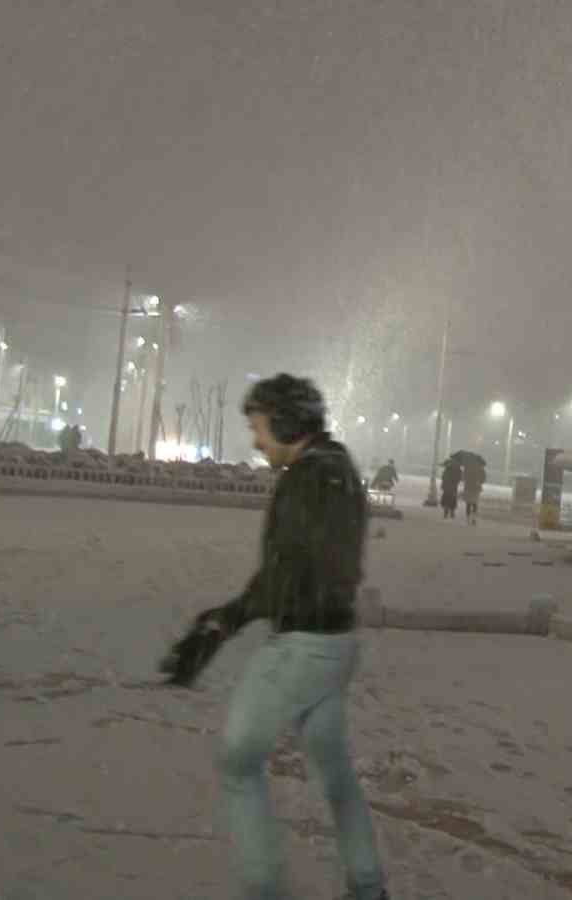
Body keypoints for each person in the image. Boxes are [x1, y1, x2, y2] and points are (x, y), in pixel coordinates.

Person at [159, 374, 387, 900]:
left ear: (286, 423)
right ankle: (369, 885)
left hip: (303, 646)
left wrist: (224, 623)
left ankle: (265, 891)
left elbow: (286, 572)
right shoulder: (338, 468)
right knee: (333, 770)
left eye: (260, 428)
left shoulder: (310, 478)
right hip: (337, 643)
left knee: (238, 760)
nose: (256, 441)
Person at [461, 456, 485, 525]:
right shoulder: (481, 469)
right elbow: (483, 478)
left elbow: (463, 477)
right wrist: (479, 481)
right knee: (475, 503)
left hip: (468, 487)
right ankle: (474, 518)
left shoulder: (468, 468)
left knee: (468, 503)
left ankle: (468, 519)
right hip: (476, 488)